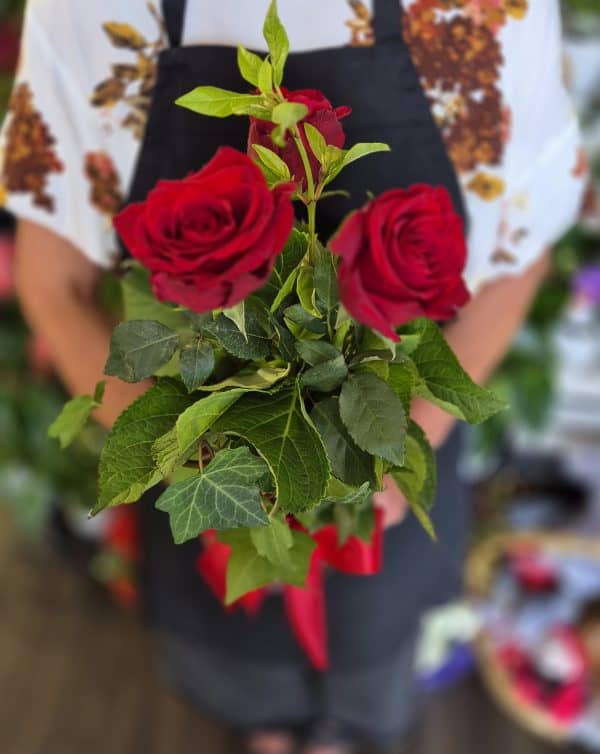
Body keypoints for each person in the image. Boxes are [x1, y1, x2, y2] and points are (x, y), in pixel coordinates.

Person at [1, 1, 586, 752]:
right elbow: (53, 284)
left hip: (392, 486)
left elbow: (521, 254)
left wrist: (403, 443)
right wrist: (201, 462)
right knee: (235, 663)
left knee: (375, 658)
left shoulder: (486, 9)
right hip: (203, 489)